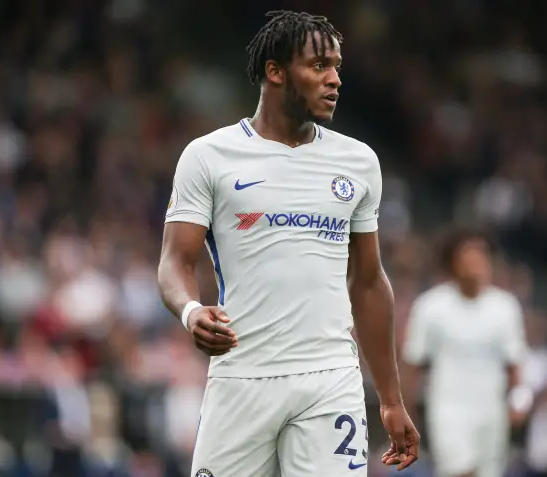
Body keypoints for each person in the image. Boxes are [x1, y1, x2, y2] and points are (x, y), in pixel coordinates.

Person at [157, 10, 419, 477]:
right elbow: (175, 262)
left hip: (329, 378)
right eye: (319, 66)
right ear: (275, 71)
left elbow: (368, 282)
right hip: (242, 377)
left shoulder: (357, 162)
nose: (335, 79)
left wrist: (391, 400)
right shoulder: (209, 156)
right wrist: (191, 311)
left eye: (337, 66)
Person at [401, 227, 530, 477]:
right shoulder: (431, 307)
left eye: (481, 255)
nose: (476, 262)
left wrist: (519, 400)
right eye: (468, 255)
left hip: (492, 411)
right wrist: (406, 416)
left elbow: (515, 364)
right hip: (448, 409)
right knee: (460, 471)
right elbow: (413, 364)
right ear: (453, 262)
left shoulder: (505, 308)